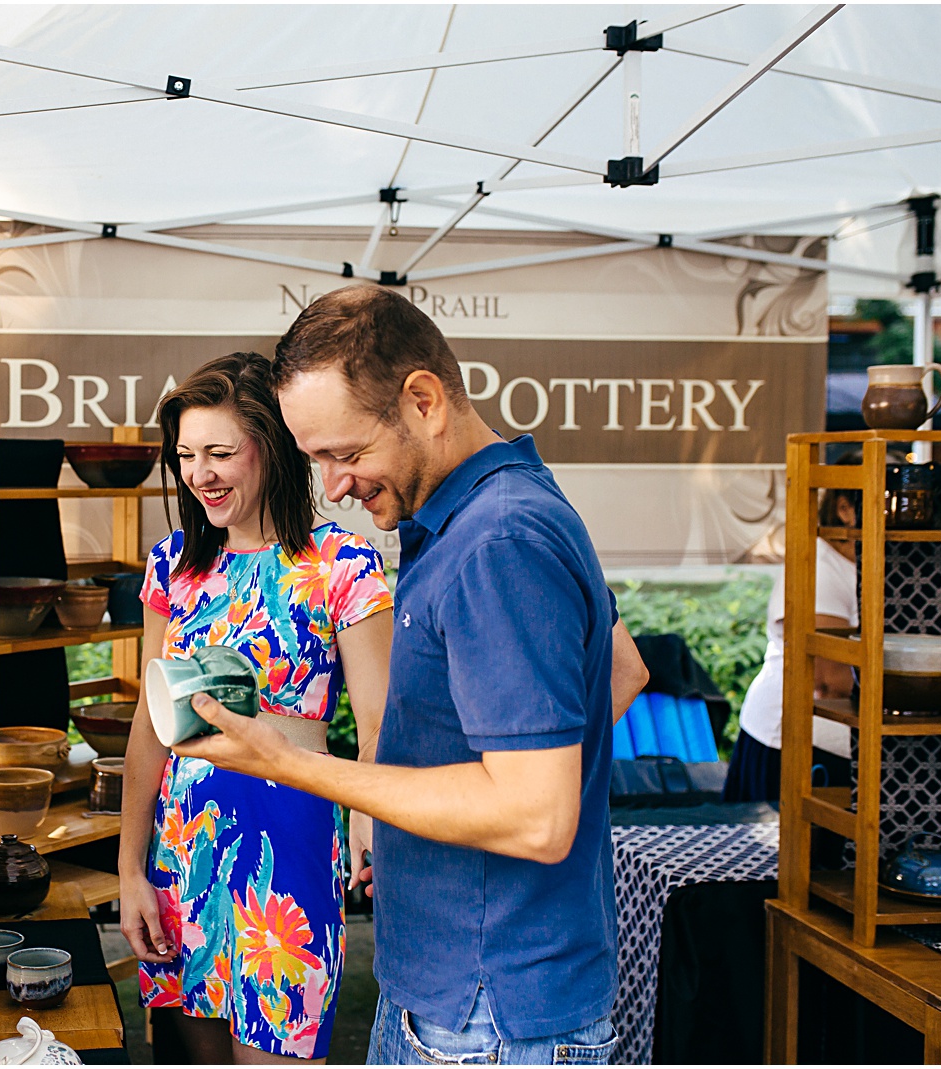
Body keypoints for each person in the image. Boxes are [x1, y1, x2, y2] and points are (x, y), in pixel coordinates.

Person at [174, 285, 649, 1066]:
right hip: (466, 987)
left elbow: (537, 816)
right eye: (315, 458)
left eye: (346, 452)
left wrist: (289, 763)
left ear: (423, 400)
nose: (331, 487)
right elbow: (621, 670)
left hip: (488, 1011)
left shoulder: (498, 539)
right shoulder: (484, 506)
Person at [118, 352, 395, 1064]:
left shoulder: (342, 562)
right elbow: (147, 732)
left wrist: (367, 816)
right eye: (185, 455)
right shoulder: (174, 565)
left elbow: (378, 727)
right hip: (183, 851)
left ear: (270, 448)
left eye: (219, 451)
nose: (199, 473)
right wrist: (129, 873)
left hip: (289, 850)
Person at [725, 483, 859, 801]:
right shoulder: (819, 570)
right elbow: (828, 680)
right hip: (789, 740)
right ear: (844, 509)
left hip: (830, 738)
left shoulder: (860, 563)